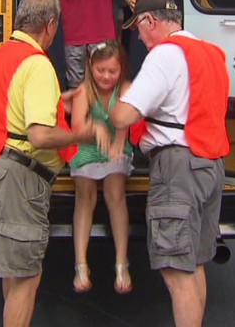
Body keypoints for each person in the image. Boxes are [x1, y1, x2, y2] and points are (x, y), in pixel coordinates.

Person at [0, 0, 104, 327]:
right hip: (17, 179)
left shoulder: (1, 55)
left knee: (14, 274)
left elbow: (10, 107)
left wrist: (59, 101)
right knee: (27, 278)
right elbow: (40, 135)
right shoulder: (38, 64)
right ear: (51, 25)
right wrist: (82, 133)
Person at [109, 0, 230, 327]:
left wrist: (124, 93)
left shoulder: (164, 55)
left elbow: (123, 116)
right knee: (195, 263)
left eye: (138, 28)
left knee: (176, 271)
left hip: (178, 168)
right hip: (209, 164)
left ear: (151, 21)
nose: (138, 36)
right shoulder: (211, 52)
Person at [68, 41, 135, 295]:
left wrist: (118, 142)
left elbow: (124, 124)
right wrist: (94, 127)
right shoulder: (84, 91)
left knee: (115, 191)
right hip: (87, 147)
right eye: (100, 71)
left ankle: (121, 263)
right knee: (84, 194)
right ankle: (81, 265)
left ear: (121, 71)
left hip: (116, 146)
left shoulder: (126, 88)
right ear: (90, 68)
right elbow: (76, 129)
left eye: (112, 71)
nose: (106, 76)